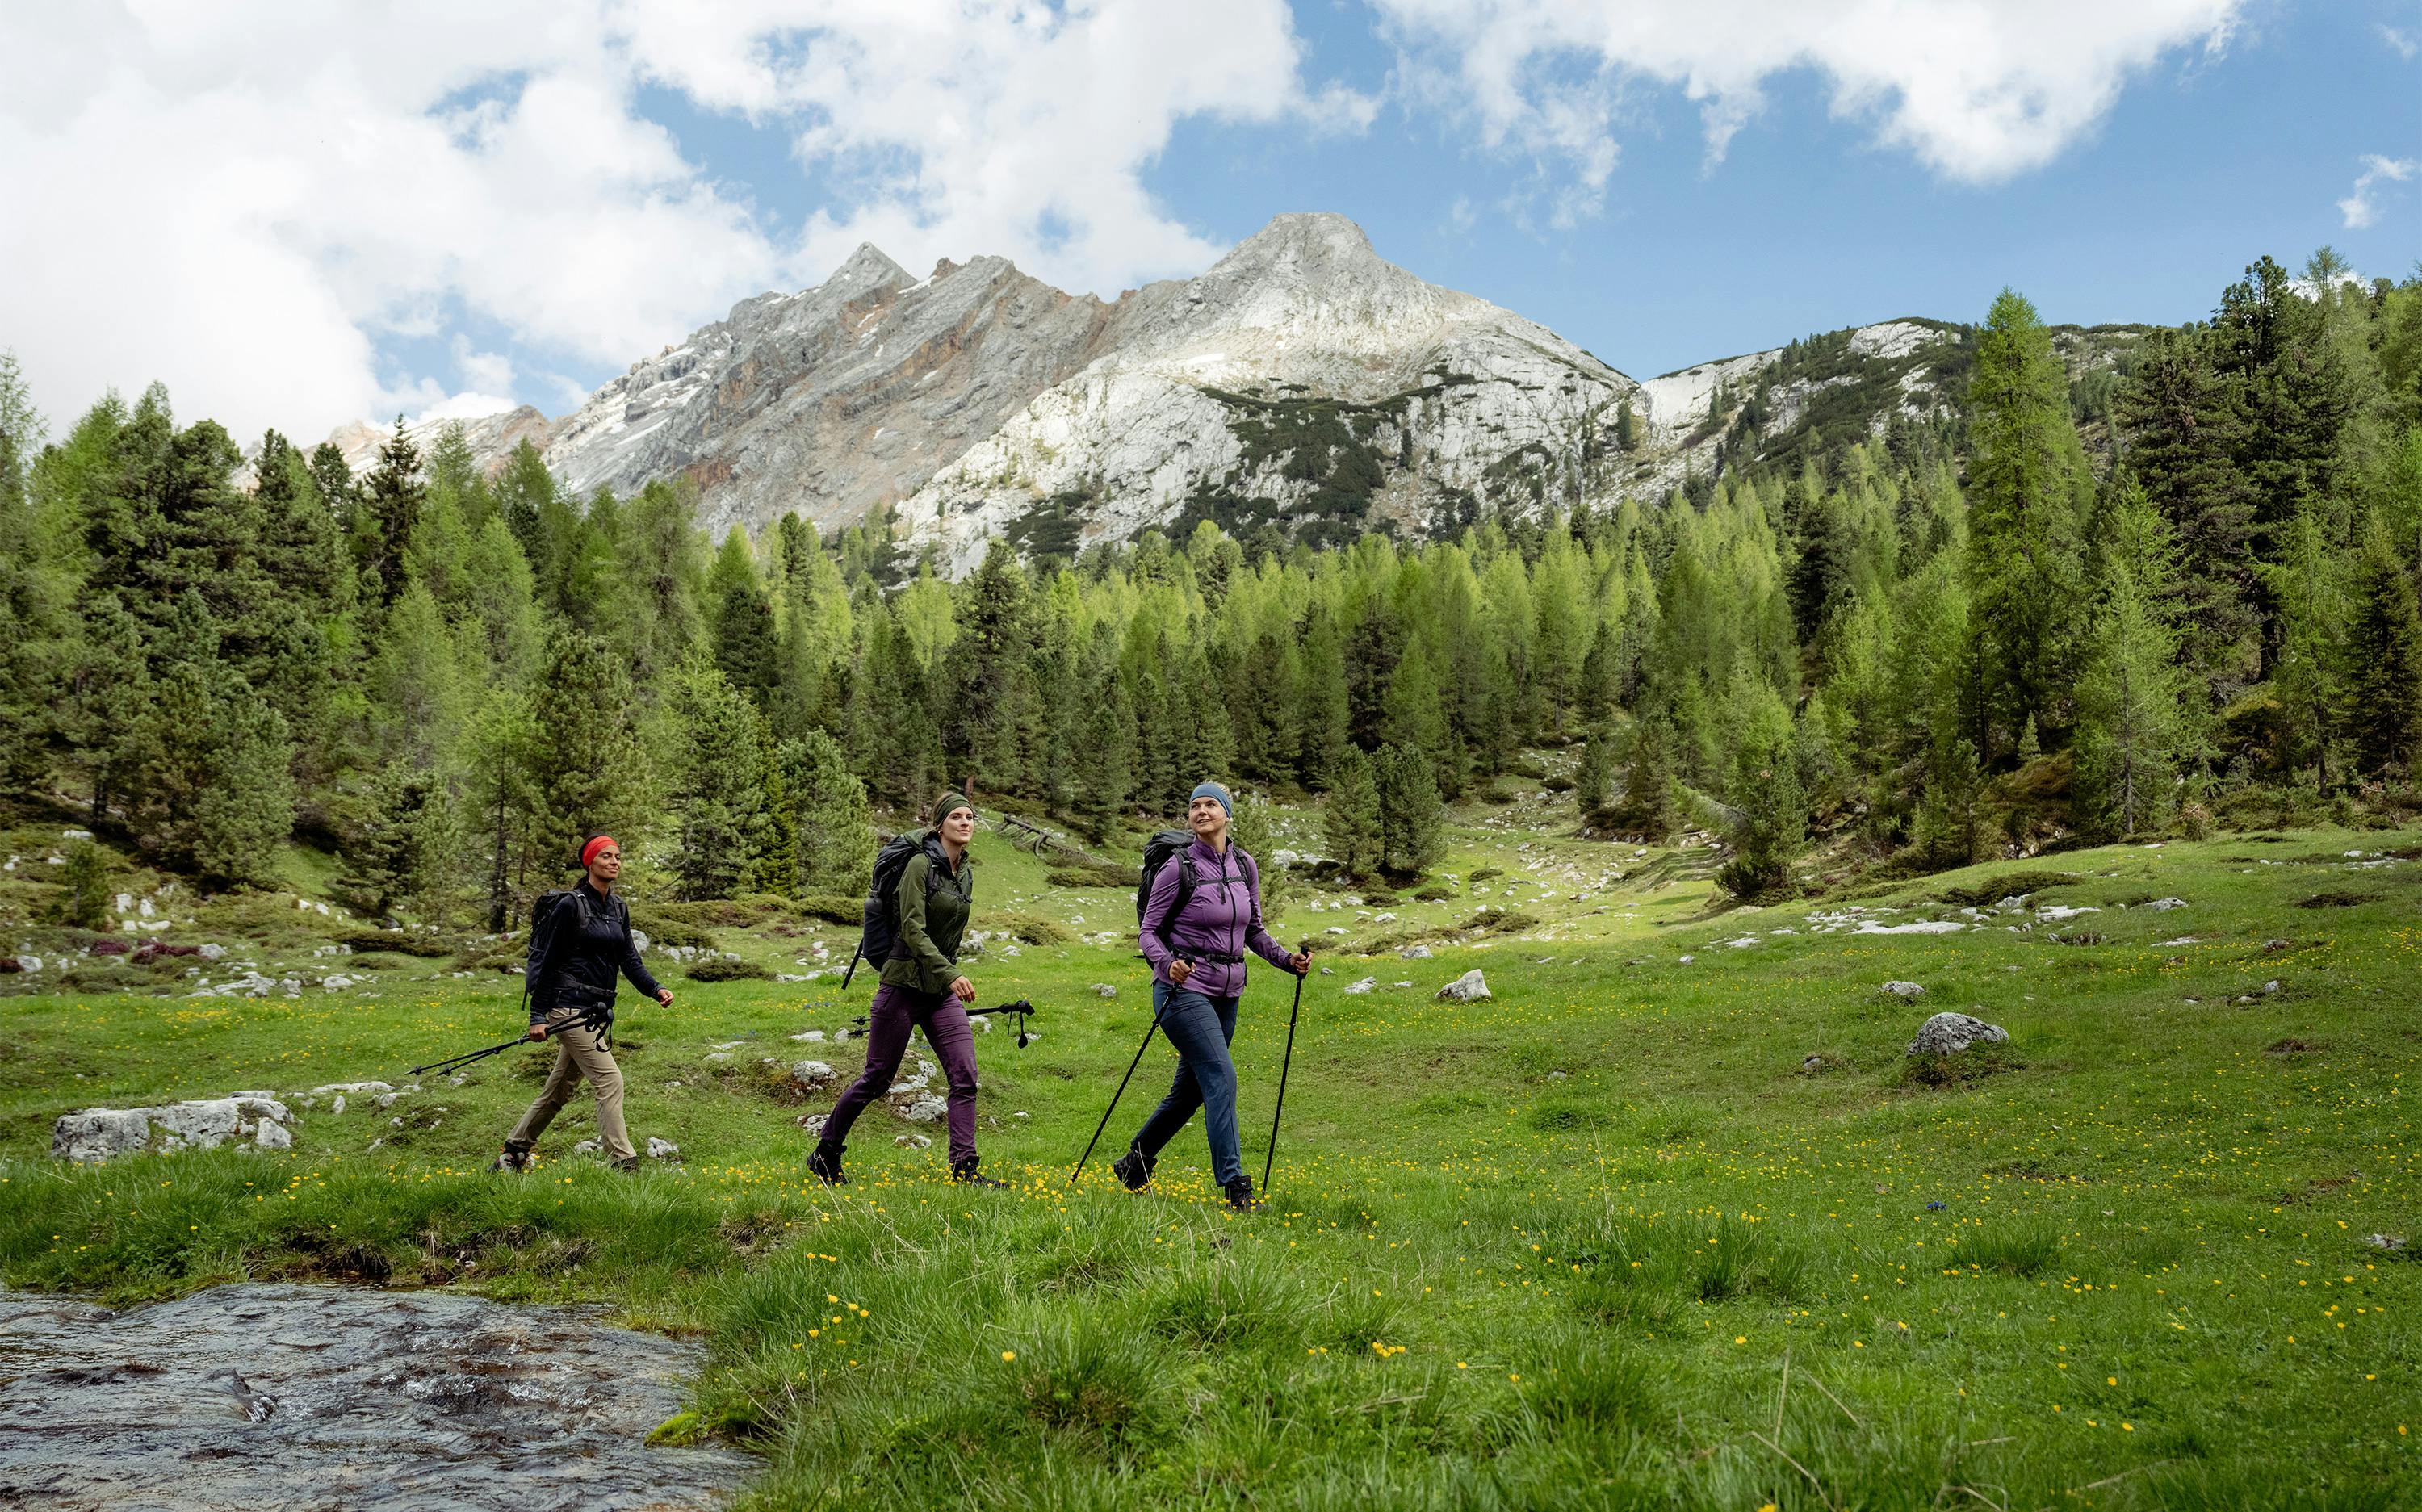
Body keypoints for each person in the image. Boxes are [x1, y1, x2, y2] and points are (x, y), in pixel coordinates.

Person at [1115, 781, 1309, 1211]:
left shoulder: (1245, 863)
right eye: (1194, 806)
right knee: (1221, 1077)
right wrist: (1168, 965)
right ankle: (1236, 1188)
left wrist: (1285, 960)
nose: (1201, 811)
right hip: (1181, 990)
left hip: (1228, 991)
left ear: (1226, 814)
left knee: (1191, 1091)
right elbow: (1148, 932)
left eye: (1210, 805)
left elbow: (1253, 929)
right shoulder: (1176, 868)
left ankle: (1135, 1162)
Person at [810, 794, 1004, 1188]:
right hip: (902, 987)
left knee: (964, 1077)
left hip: (938, 993)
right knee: (877, 1078)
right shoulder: (919, 865)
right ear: (939, 825)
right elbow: (913, 930)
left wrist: (945, 976)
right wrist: (950, 973)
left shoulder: (964, 872)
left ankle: (964, 1168)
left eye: (970, 817)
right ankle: (826, 1151)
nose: (965, 823)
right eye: (956, 817)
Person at [491, 833, 673, 1173]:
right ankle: (623, 1163)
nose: (615, 861)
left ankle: (513, 1153)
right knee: (610, 1080)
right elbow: (548, 962)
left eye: (618, 856)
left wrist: (655, 989)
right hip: (567, 1006)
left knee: (559, 1088)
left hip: (594, 1012)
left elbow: (629, 960)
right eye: (606, 856)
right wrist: (537, 1015)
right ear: (590, 862)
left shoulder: (618, 908)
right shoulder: (570, 905)